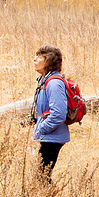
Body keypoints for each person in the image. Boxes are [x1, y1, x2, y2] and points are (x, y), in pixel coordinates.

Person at [32, 45, 70, 182]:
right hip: (49, 136)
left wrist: (41, 129)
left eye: (39, 57)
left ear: (48, 61)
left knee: (41, 178)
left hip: (52, 137)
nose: (34, 59)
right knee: (41, 177)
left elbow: (58, 114)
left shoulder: (54, 83)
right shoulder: (45, 80)